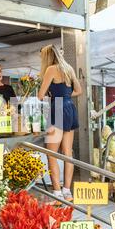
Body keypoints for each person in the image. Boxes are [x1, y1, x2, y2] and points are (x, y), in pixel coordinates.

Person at [37, 45, 82, 202]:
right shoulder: (68, 68)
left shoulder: (50, 69)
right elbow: (79, 90)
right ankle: (67, 191)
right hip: (70, 107)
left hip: (57, 108)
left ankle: (56, 192)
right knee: (67, 153)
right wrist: (66, 95)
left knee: (52, 154)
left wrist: (52, 95)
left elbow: (40, 95)